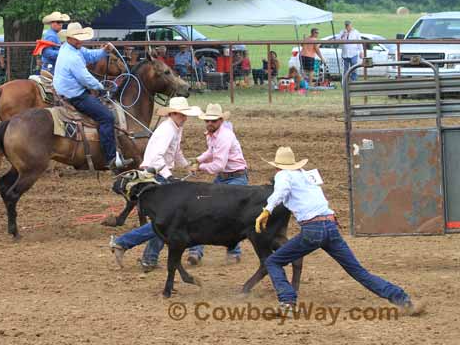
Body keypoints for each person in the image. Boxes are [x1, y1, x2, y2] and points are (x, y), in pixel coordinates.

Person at [255, 146, 424, 316]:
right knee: (359, 271)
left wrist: (267, 210)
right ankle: (402, 299)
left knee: (273, 262)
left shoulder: (283, 175)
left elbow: (281, 191)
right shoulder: (305, 175)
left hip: (313, 229)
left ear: (277, 167)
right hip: (330, 226)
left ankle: (287, 303)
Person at [110, 97, 201, 272]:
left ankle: (145, 257)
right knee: (165, 222)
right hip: (155, 176)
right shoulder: (168, 130)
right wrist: (169, 176)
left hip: (157, 175)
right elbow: (158, 157)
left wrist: (186, 165)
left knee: (165, 222)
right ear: (173, 113)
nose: (185, 118)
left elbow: (175, 152)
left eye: (185, 115)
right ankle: (125, 244)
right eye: (182, 115)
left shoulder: (175, 128)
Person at [187, 103, 248, 265]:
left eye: (213, 121)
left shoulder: (224, 136)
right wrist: (198, 159)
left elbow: (218, 165)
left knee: (230, 215)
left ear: (220, 120)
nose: (209, 123)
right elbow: (211, 152)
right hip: (227, 177)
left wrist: (199, 167)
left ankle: (232, 251)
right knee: (204, 210)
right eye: (207, 120)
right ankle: (196, 249)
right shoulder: (212, 134)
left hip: (235, 178)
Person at [53, 22, 119, 169]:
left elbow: (89, 55)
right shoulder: (72, 56)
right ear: (70, 38)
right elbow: (85, 78)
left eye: (81, 37)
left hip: (67, 90)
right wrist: (101, 87)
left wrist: (104, 51)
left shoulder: (70, 48)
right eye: (78, 38)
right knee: (107, 117)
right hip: (75, 95)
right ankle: (110, 158)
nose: (81, 40)